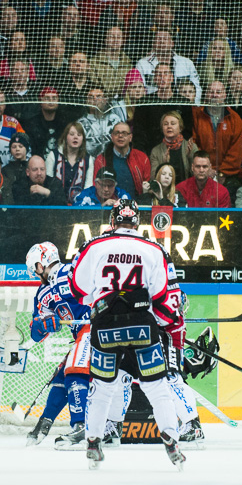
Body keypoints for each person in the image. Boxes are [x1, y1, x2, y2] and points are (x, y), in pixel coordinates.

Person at [68, 199, 186, 469]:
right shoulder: (153, 249)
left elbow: (77, 287)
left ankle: (94, 442)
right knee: (157, 386)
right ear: (137, 222)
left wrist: (101, 297)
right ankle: (171, 437)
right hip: (142, 325)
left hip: (105, 325)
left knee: (102, 387)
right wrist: (166, 326)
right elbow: (161, 296)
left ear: (112, 221)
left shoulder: (94, 245)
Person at [24, 242, 94, 449]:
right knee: (61, 377)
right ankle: (44, 423)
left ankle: (82, 426)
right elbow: (36, 333)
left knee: (74, 371)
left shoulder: (73, 272)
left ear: (42, 262)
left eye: (35, 267)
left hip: (97, 327)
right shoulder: (42, 293)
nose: (35, 273)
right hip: (82, 334)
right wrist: (43, 324)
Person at [92, 122, 150, 200]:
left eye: (124, 133)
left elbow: (147, 186)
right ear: (112, 137)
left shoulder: (142, 158)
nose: (120, 136)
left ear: (130, 137)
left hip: (136, 205)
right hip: (110, 206)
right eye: (117, 133)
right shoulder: (101, 159)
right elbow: (96, 187)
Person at [46, 122, 93, 205]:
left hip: (78, 207)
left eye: (79, 135)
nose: (75, 137)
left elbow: (88, 188)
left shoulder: (88, 159)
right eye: (71, 134)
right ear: (65, 137)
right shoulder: (53, 156)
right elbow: (47, 184)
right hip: (55, 205)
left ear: (83, 139)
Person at [149, 111, 198, 185]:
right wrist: (164, 164)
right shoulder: (156, 151)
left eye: (173, 123)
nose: (169, 126)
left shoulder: (191, 147)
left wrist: (190, 157)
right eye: (165, 124)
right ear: (162, 128)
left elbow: (198, 175)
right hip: (166, 192)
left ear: (180, 128)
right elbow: (154, 178)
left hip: (187, 190)